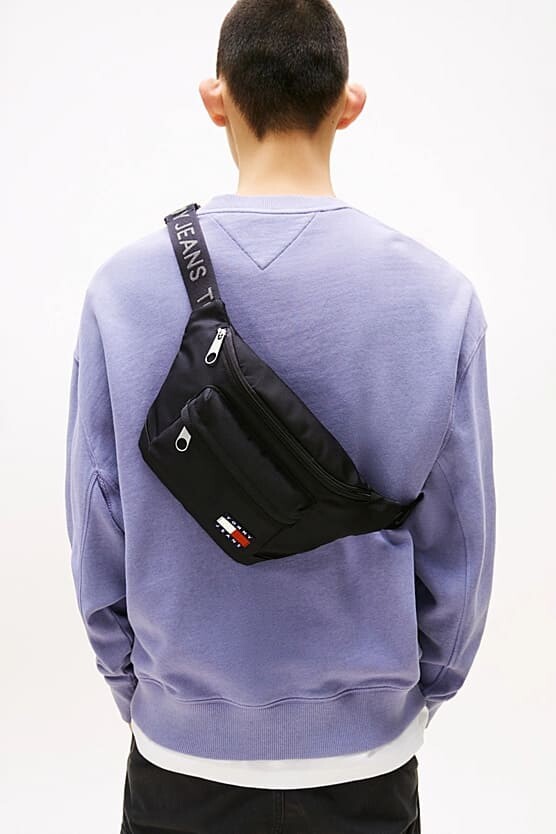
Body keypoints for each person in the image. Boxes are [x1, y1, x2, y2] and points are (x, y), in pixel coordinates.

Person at [64, 1, 496, 832]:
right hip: (366, 757)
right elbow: (462, 548)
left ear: (215, 98)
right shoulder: (439, 299)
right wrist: (412, 699)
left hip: (179, 752)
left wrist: (149, 695)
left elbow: (96, 528)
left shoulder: (120, 292)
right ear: (349, 103)